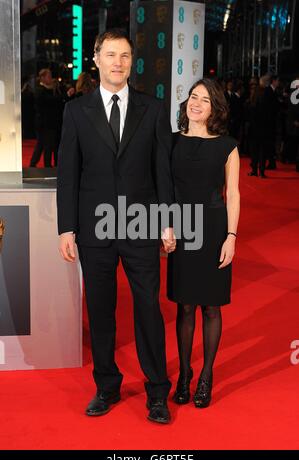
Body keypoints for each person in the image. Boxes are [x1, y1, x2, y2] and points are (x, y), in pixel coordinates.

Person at [57, 29, 175, 424]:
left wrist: (167, 222)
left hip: (142, 225)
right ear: (96, 59)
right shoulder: (76, 111)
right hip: (94, 230)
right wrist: (66, 228)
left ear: (131, 61)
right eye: (110, 55)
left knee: (148, 308)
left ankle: (157, 390)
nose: (118, 62)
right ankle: (106, 385)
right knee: (101, 310)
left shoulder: (153, 109)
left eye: (125, 55)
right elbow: (68, 174)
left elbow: (163, 171)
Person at [167, 79, 240, 408]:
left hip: (213, 229)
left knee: (211, 306)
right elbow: (162, 189)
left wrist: (232, 237)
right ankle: (184, 375)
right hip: (182, 230)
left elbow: (233, 194)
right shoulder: (170, 143)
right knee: (184, 305)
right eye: (193, 97)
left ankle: (206, 377)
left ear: (216, 109)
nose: (196, 103)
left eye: (205, 100)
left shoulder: (227, 146)